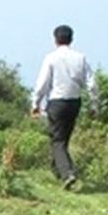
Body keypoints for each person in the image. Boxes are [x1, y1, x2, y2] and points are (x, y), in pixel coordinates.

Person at [30, 25, 97, 190]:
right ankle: (58, 171)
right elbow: (92, 83)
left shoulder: (51, 58)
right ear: (71, 39)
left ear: (55, 39)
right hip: (74, 102)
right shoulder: (81, 58)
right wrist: (94, 104)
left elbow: (42, 84)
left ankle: (67, 173)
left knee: (57, 140)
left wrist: (35, 103)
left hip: (57, 102)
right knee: (63, 138)